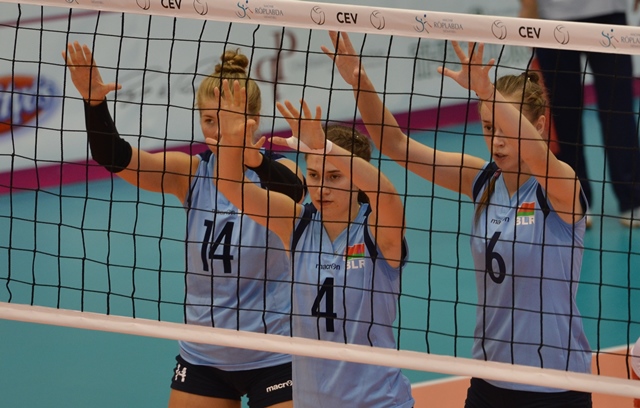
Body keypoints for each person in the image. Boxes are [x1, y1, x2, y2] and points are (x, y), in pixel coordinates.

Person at [324, 32, 592, 407]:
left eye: (507, 129)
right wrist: (359, 81)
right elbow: (395, 145)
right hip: (490, 382)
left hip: (556, 386)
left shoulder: (560, 187)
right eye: (488, 127)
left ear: (540, 125)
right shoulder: (481, 181)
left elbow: (537, 155)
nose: (497, 141)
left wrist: (487, 92)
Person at [62, 42, 305, 408]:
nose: (216, 130)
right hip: (204, 356)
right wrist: (94, 103)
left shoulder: (280, 170)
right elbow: (114, 156)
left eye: (227, 120)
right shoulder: (191, 173)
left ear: (252, 121)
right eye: (208, 120)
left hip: (276, 354)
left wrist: (251, 158)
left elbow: (294, 192)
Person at [212, 78, 415, 407]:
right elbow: (231, 187)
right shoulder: (297, 223)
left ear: (357, 177)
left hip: (378, 402)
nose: (321, 189)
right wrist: (231, 141)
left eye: (335, 176)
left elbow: (386, 194)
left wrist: (326, 147)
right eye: (316, 175)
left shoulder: (378, 231)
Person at [520, 0, 640, 228]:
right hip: (553, 18)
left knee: (619, 112)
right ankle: (574, 198)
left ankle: (633, 198)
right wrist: (528, 7)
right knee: (564, 115)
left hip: (609, 12)